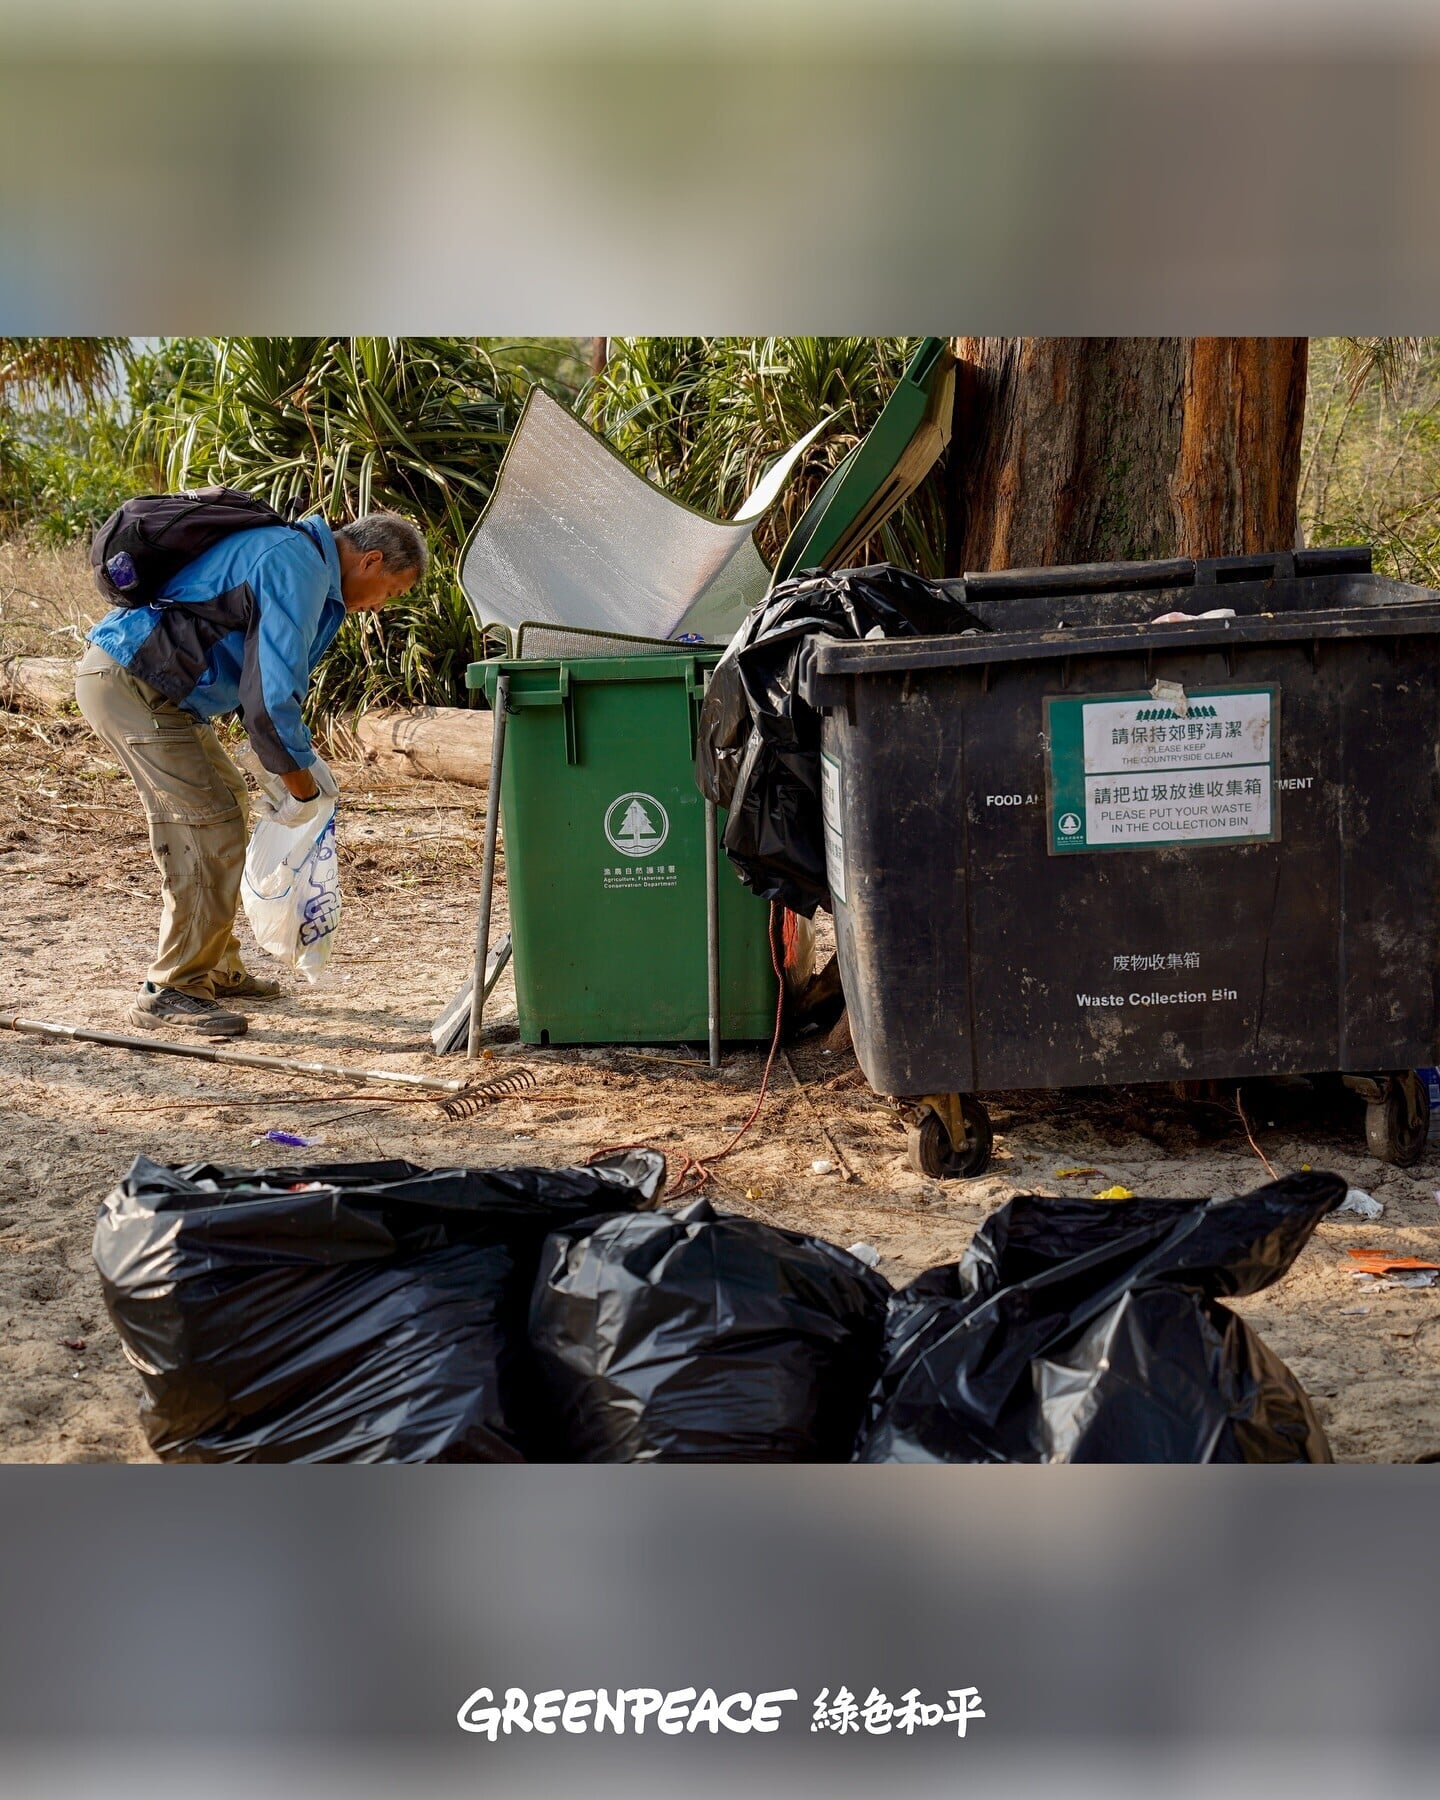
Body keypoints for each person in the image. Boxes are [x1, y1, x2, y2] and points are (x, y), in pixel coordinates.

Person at [75, 509, 427, 1038]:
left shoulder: (299, 557)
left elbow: (257, 684)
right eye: (389, 592)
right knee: (209, 822)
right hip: (135, 684)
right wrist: (302, 787)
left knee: (226, 803)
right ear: (371, 560)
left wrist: (293, 764)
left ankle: (215, 966)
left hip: (154, 689)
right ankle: (174, 987)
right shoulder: (298, 566)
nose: (378, 607)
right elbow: (269, 699)